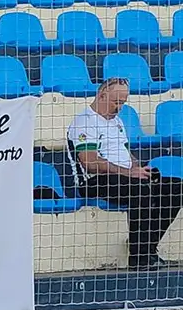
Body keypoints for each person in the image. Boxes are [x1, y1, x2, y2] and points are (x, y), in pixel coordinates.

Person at [66, 78, 182, 270]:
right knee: (140, 190)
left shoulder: (117, 122)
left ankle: (148, 247)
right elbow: (90, 163)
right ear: (102, 95)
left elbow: (126, 154)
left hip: (124, 176)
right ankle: (139, 258)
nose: (119, 107)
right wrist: (129, 172)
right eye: (116, 102)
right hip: (95, 181)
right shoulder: (85, 122)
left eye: (123, 102)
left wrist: (140, 169)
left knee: (176, 187)